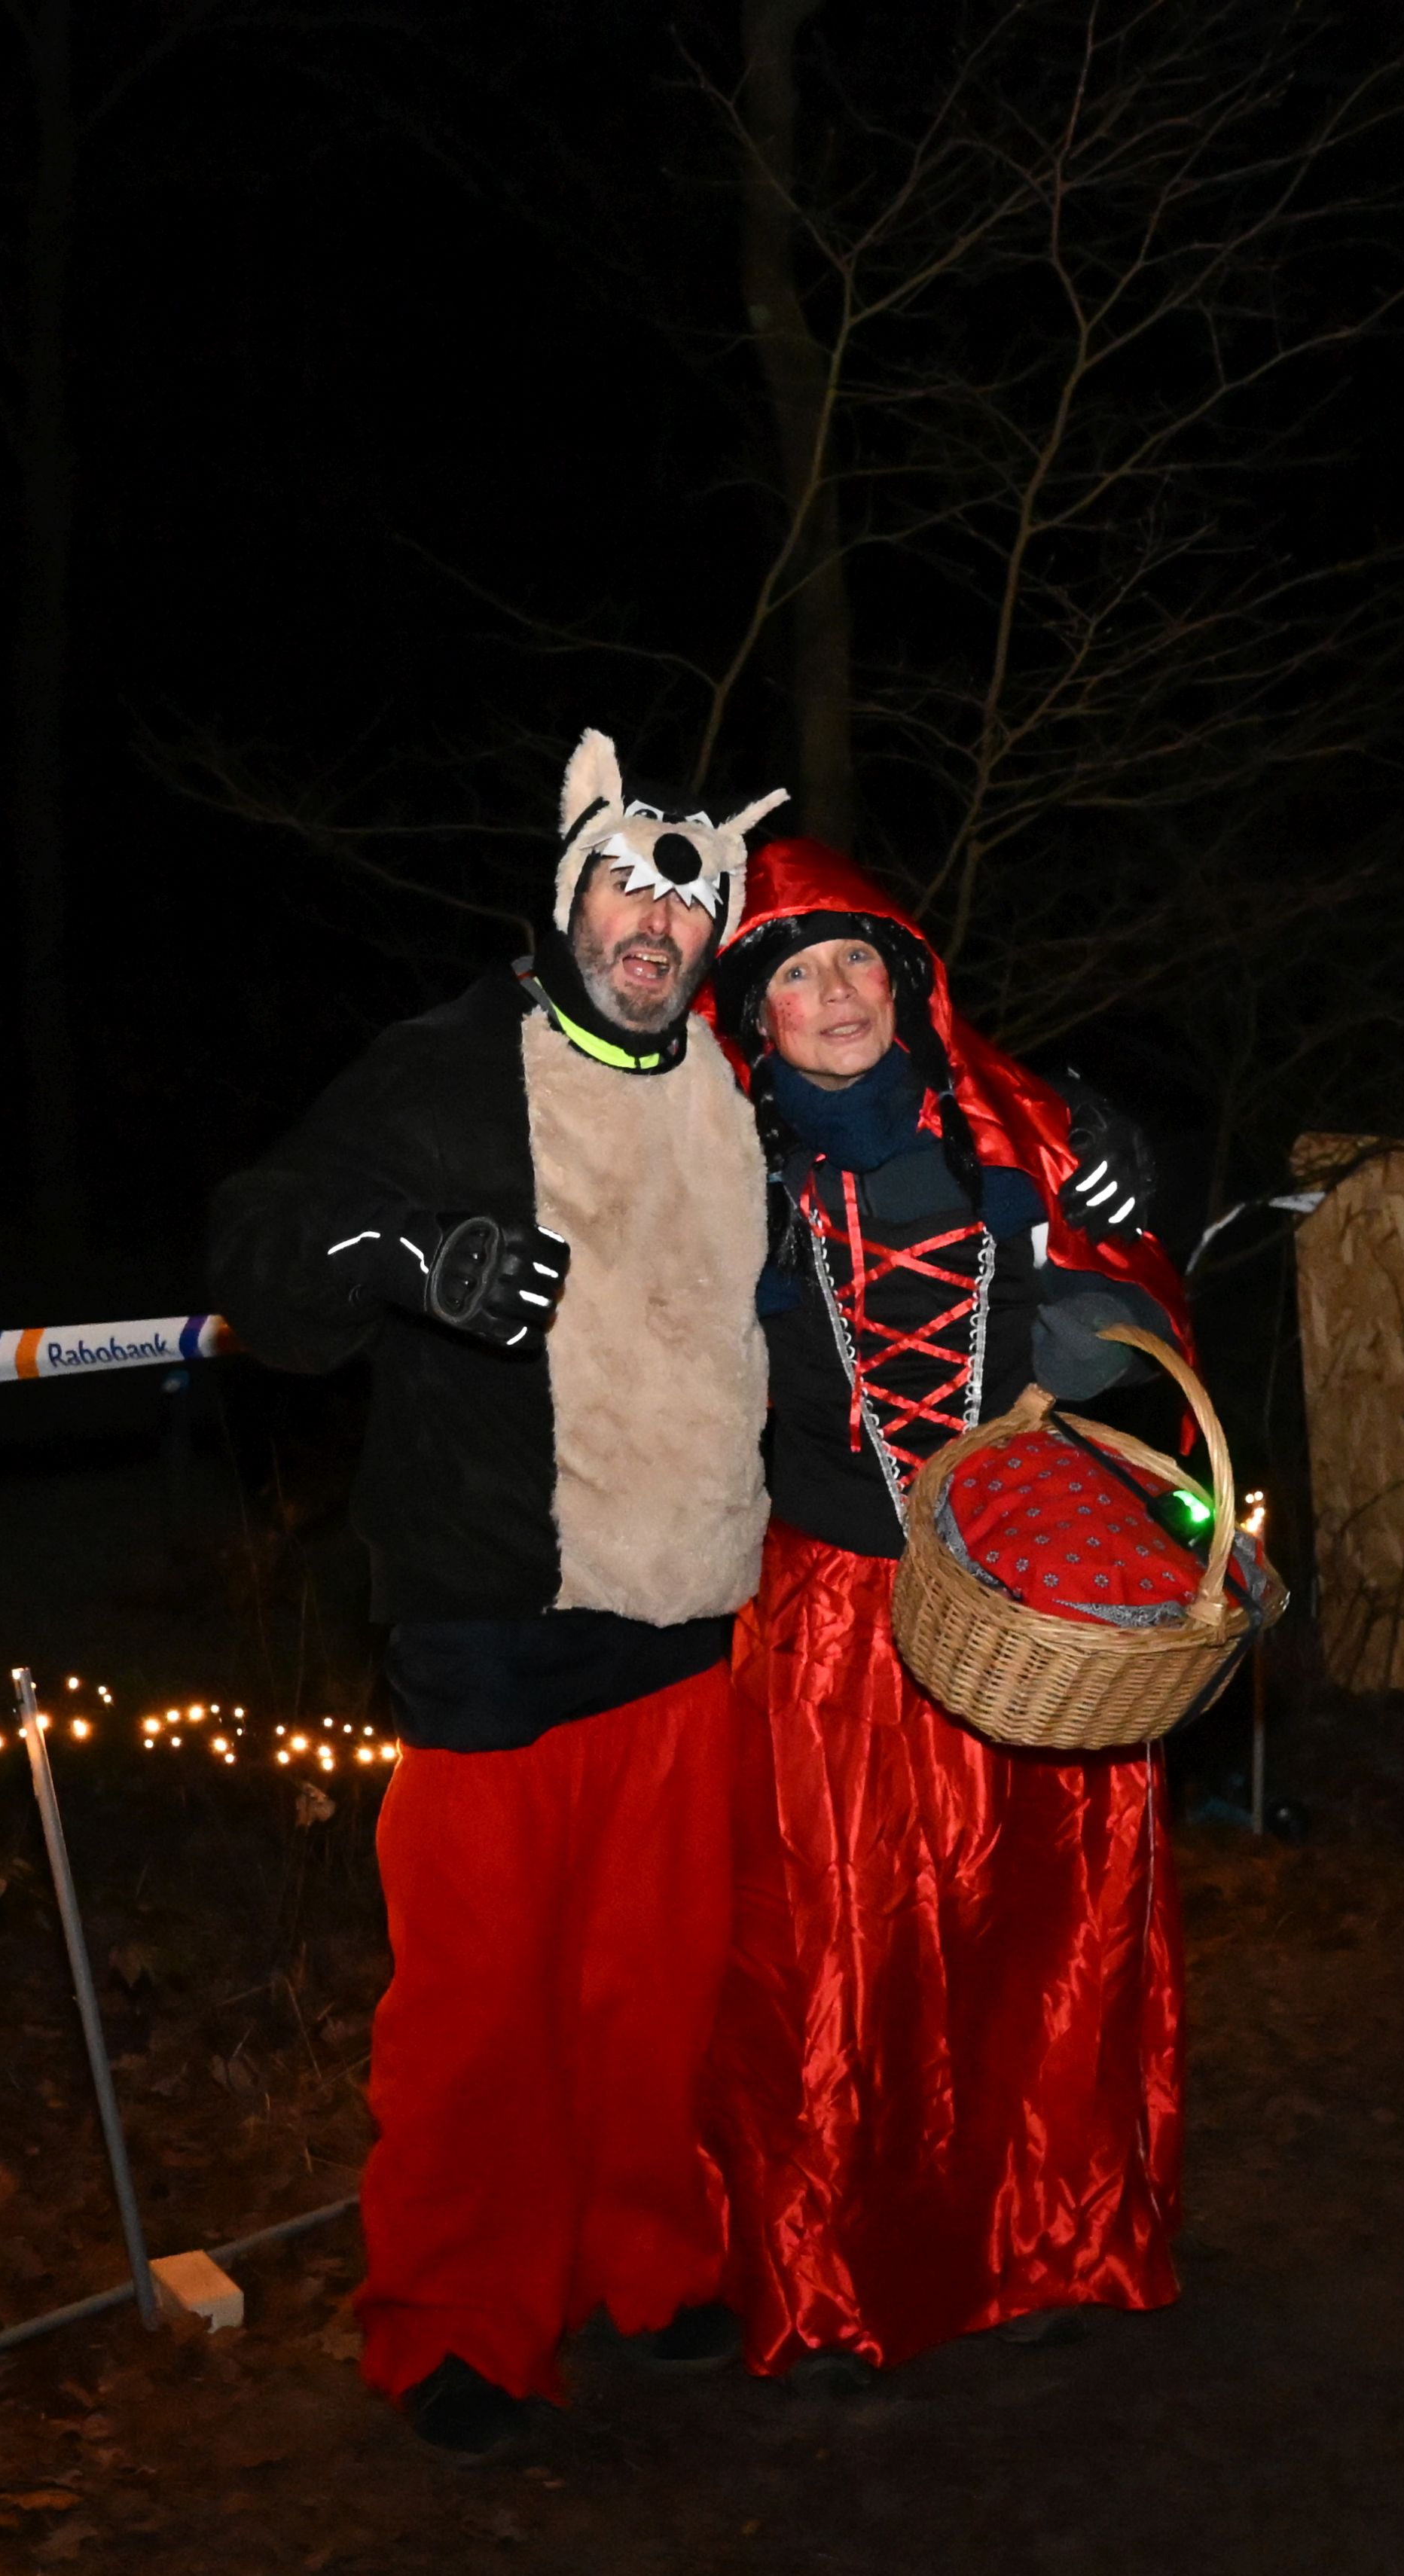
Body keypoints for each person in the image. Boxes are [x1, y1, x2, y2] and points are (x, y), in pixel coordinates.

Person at [205, 731, 786, 2462]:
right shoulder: (453, 1066)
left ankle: (648, 2262)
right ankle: (459, 2315)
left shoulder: (738, 1087)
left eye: (688, 905)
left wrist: (1087, 1154)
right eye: (626, 887)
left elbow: (905, 1137)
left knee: (658, 1992)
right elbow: (260, 1245)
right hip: (495, 1615)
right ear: (568, 893)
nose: (654, 926)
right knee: (479, 2012)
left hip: (691, 1617)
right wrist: (408, 1257)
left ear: (712, 934)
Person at [700, 837, 1200, 2378]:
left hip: (1019, 1591)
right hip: (829, 1620)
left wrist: (1118, 1236)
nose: (837, 993)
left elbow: (1131, 1316)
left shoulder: (1016, 1133)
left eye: (857, 959)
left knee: (1034, 1932)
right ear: (756, 1015)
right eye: (798, 973)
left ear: (908, 979)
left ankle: (1044, 2237)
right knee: (835, 1956)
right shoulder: (716, 1168)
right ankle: (833, 2273)